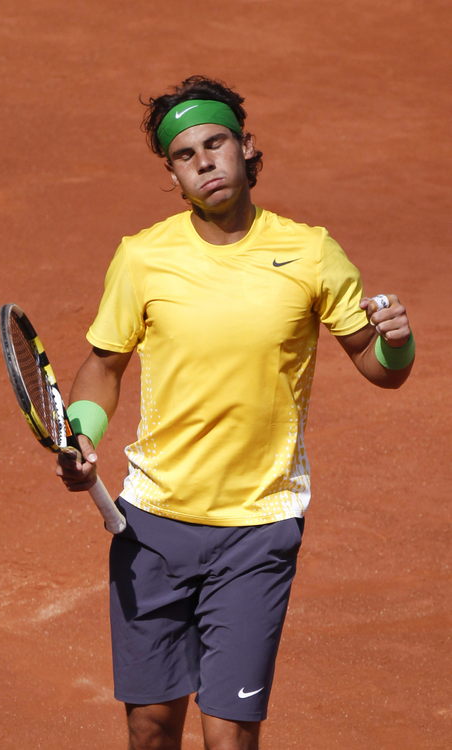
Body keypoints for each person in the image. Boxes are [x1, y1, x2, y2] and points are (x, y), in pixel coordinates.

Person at [56, 75, 415, 750]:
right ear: (173, 177)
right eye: (185, 155)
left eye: (215, 144)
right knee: (151, 727)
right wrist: (82, 436)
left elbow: (379, 368)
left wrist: (397, 342)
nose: (204, 162)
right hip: (153, 522)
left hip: (259, 524)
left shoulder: (310, 252)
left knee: (230, 735)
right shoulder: (143, 257)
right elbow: (104, 366)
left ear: (246, 147)